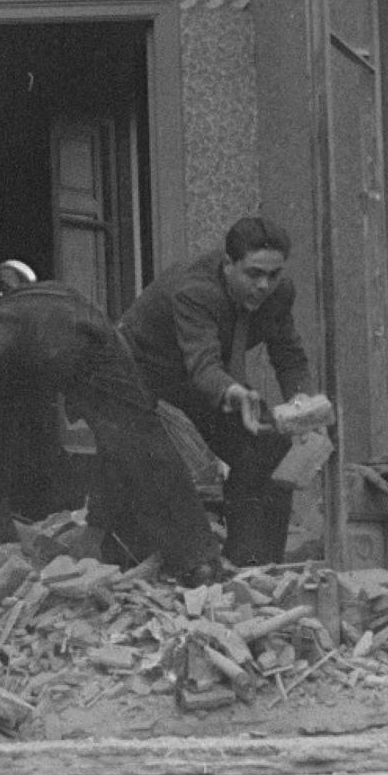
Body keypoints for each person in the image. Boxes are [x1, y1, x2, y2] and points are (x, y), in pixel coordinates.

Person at [0, 268, 221, 584]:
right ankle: (197, 560)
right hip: (79, 326)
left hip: (3, 334)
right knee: (139, 437)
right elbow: (121, 447)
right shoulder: (78, 310)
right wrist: (97, 524)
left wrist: (1, 521)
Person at [119, 216, 316, 566]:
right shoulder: (195, 290)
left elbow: (289, 355)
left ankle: (252, 564)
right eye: (253, 273)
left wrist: (304, 402)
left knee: (268, 441)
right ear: (228, 265)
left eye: (273, 274)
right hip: (142, 367)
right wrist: (234, 392)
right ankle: (119, 555)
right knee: (146, 458)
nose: (264, 285)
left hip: (207, 376)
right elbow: (203, 367)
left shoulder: (279, 293)